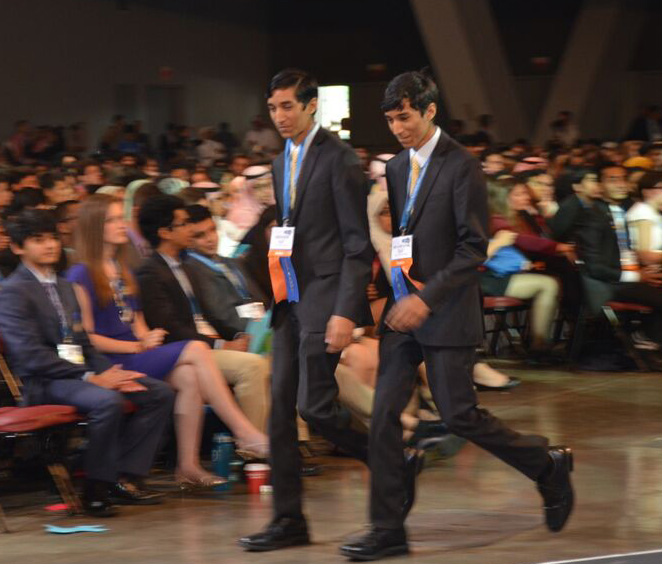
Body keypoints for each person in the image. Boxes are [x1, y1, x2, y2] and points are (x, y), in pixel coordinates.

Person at [340, 71, 574, 561]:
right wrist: (396, 297)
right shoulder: (398, 168)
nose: (398, 128)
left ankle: (547, 466)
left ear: (429, 110)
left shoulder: (462, 165)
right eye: (389, 119)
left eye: (404, 116)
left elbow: (473, 249)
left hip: (443, 309)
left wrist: (426, 298)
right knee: (383, 416)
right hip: (404, 313)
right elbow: (405, 240)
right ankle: (387, 530)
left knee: (459, 416)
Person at [238, 69, 374, 552]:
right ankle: (289, 519)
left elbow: (357, 247)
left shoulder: (338, 159)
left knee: (314, 407)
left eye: (288, 107)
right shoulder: (280, 163)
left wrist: (345, 312)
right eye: (273, 108)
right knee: (279, 414)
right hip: (288, 301)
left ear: (312, 105)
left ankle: (386, 456)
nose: (280, 117)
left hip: (326, 301)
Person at [68, 194, 268, 488]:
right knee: (197, 348)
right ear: (94, 227)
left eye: (120, 218)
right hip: (112, 359)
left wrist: (146, 337)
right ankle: (244, 431)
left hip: (137, 351)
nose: (122, 225)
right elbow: (87, 337)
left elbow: (136, 321)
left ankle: (187, 465)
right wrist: (138, 345)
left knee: (189, 377)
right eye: (111, 220)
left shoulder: (122, 270)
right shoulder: (81, 272)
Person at [0, 209, 175, 516]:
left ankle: (124, 476)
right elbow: (30, 356)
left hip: (77, 373)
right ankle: (96, 489)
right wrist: (89, 377)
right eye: (38, 240)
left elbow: (81, 342)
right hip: (43, 382)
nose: (50, 245)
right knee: (107, 401)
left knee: (157, 392)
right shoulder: (12, 291)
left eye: (53, 237)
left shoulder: (65, 286)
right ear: (17, 247)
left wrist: (110, 371)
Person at [136, 195, 270, 436]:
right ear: (165, 232)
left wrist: (238, 337)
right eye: (183, 224)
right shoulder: (150, 272)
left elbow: (208, 314)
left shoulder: (183, 265)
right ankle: (252, 446)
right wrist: (221, 343)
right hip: (180, 352)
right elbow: (170, 328)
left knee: (277, 360)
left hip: (204, 344)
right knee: (253, 367)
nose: (189, 229)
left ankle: (279, 442)